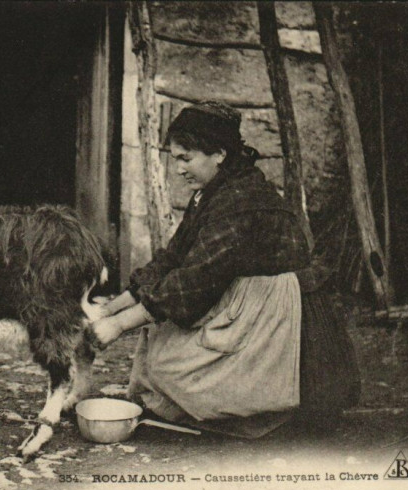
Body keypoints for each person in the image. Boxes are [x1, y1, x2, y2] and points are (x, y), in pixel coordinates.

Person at [87, 101, 360, 437]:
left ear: (218, 154)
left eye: (185, 158)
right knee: (157, 350)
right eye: (176, 160)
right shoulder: (211, 193)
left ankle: (259, 407)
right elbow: (173, 257)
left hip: (282, 317)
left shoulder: (240, 200)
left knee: (169, 367)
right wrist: (109, 310)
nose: (178, 169)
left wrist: (117, 326)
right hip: (245, 302)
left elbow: (196, 280)